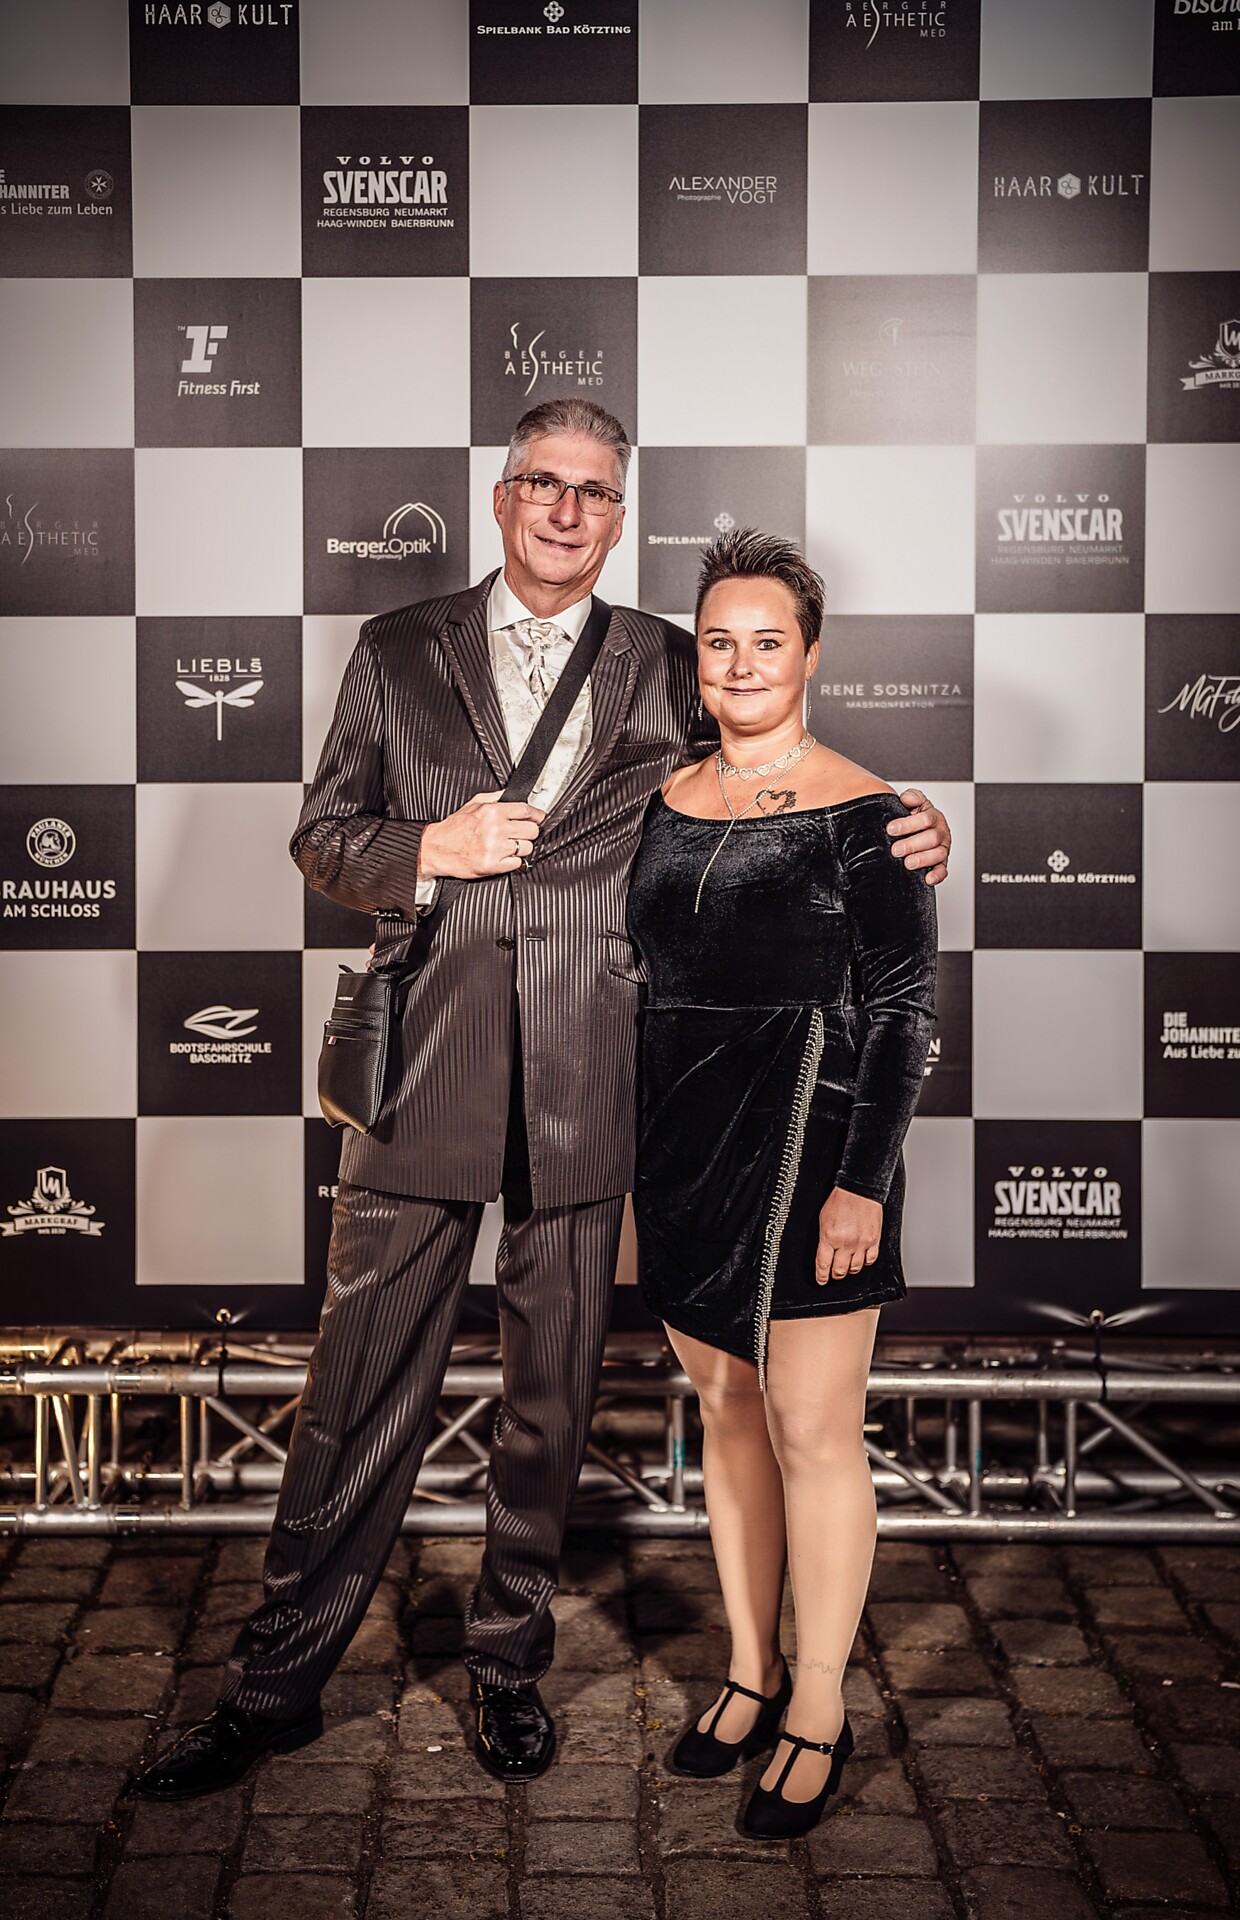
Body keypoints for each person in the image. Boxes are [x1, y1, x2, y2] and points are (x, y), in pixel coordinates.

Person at [136, 402, 952, 1801]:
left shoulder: (666, 659)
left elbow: (774, 759)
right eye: (543, 484)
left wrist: (910, 824)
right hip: (427, 1070)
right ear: (503, 497)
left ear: (621, 517)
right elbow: (322, 837)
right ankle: (272, 1688)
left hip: (591, 1081)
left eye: (596, 492)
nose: (568, 510)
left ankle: (507, 1666)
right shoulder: (398, 649)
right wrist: (428, 846)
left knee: (550, 1404)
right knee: (354, 1394)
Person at [626, 529, 938, 1839]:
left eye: (769, 640)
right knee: (728, 1412)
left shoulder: (873, 817)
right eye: (720, 640)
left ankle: (818, 1705)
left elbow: (905, 1014)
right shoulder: (658, 797)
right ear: (695, 661)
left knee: (816, 1432)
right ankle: (750, 1674)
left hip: (816, 1154)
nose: (743, 662)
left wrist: (862, 1186)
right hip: (682, 1148)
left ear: (811, 656)